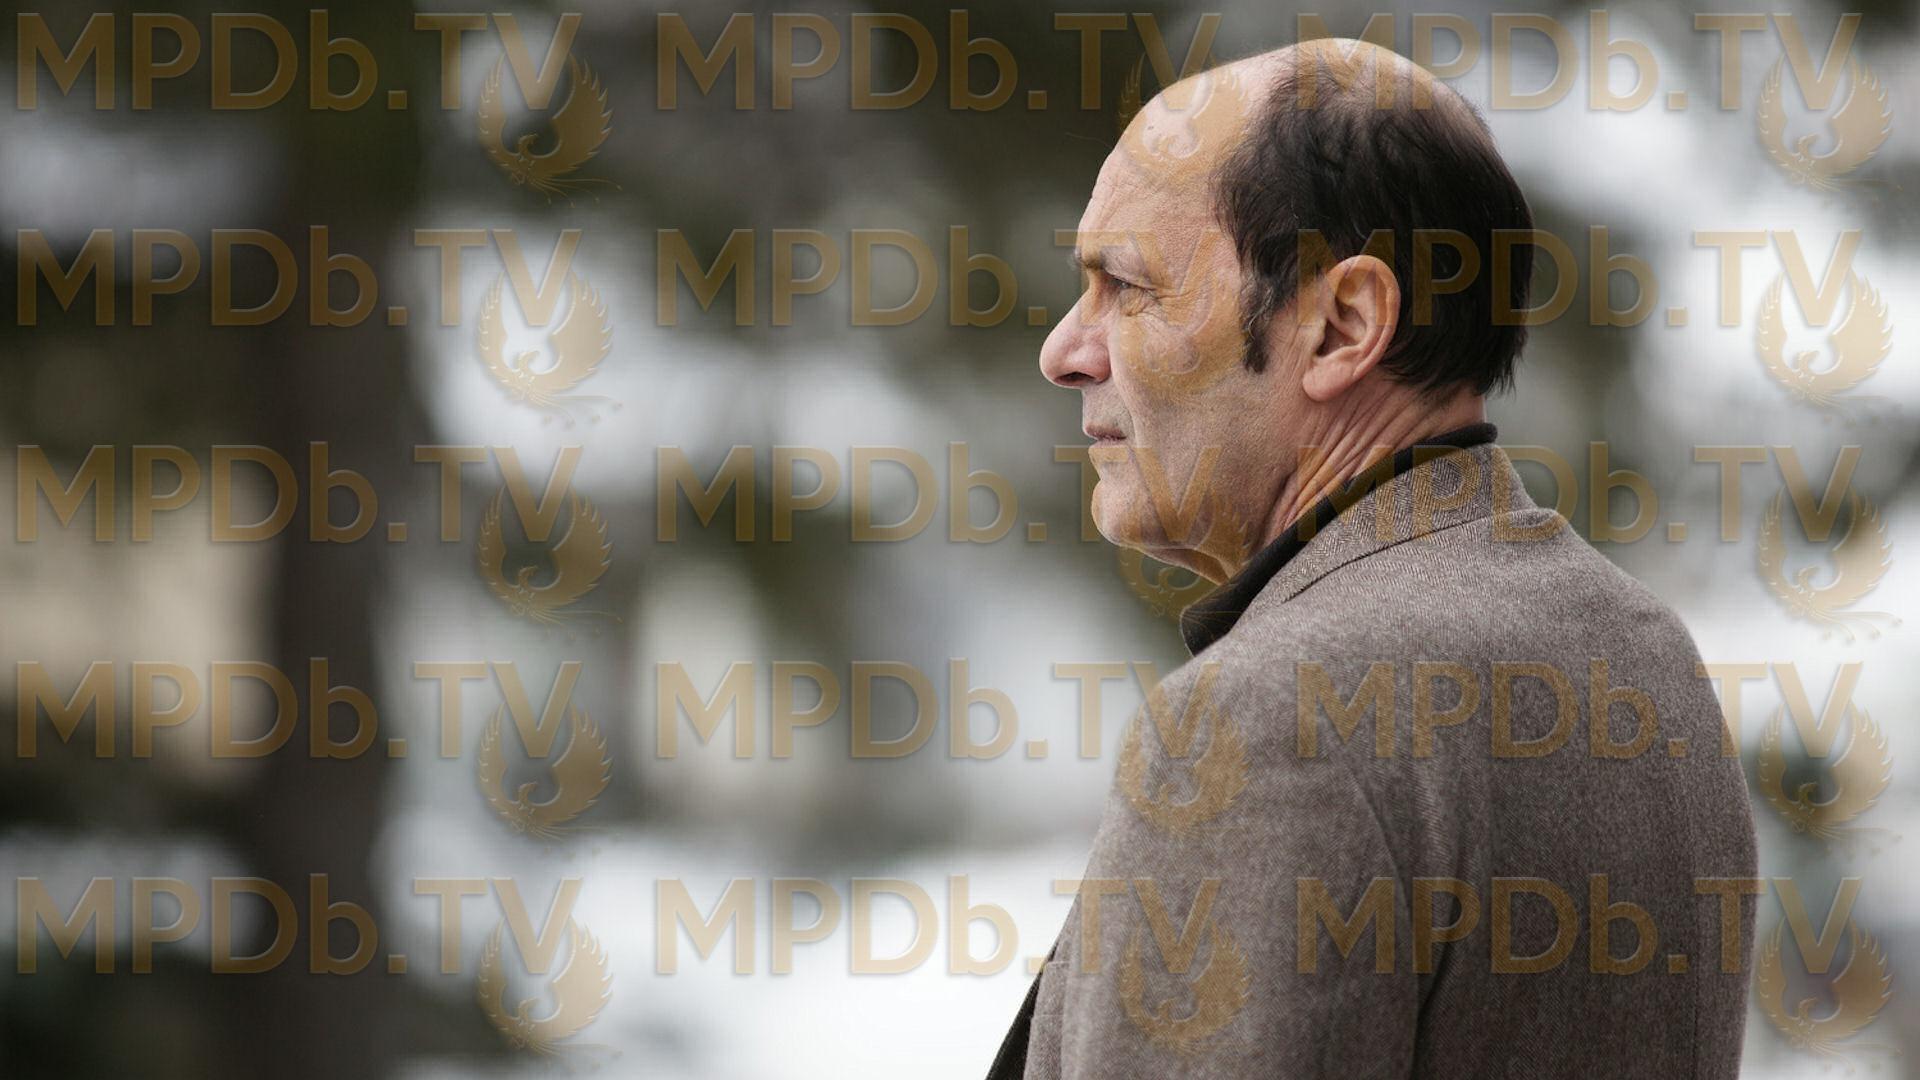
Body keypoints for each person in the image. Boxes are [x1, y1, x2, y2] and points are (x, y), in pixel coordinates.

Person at [989, 39, 1757, 1079]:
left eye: (1126, 286)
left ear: (1342, 326)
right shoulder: (1644, 654)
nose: (1065, 352)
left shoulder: (1270, 722)